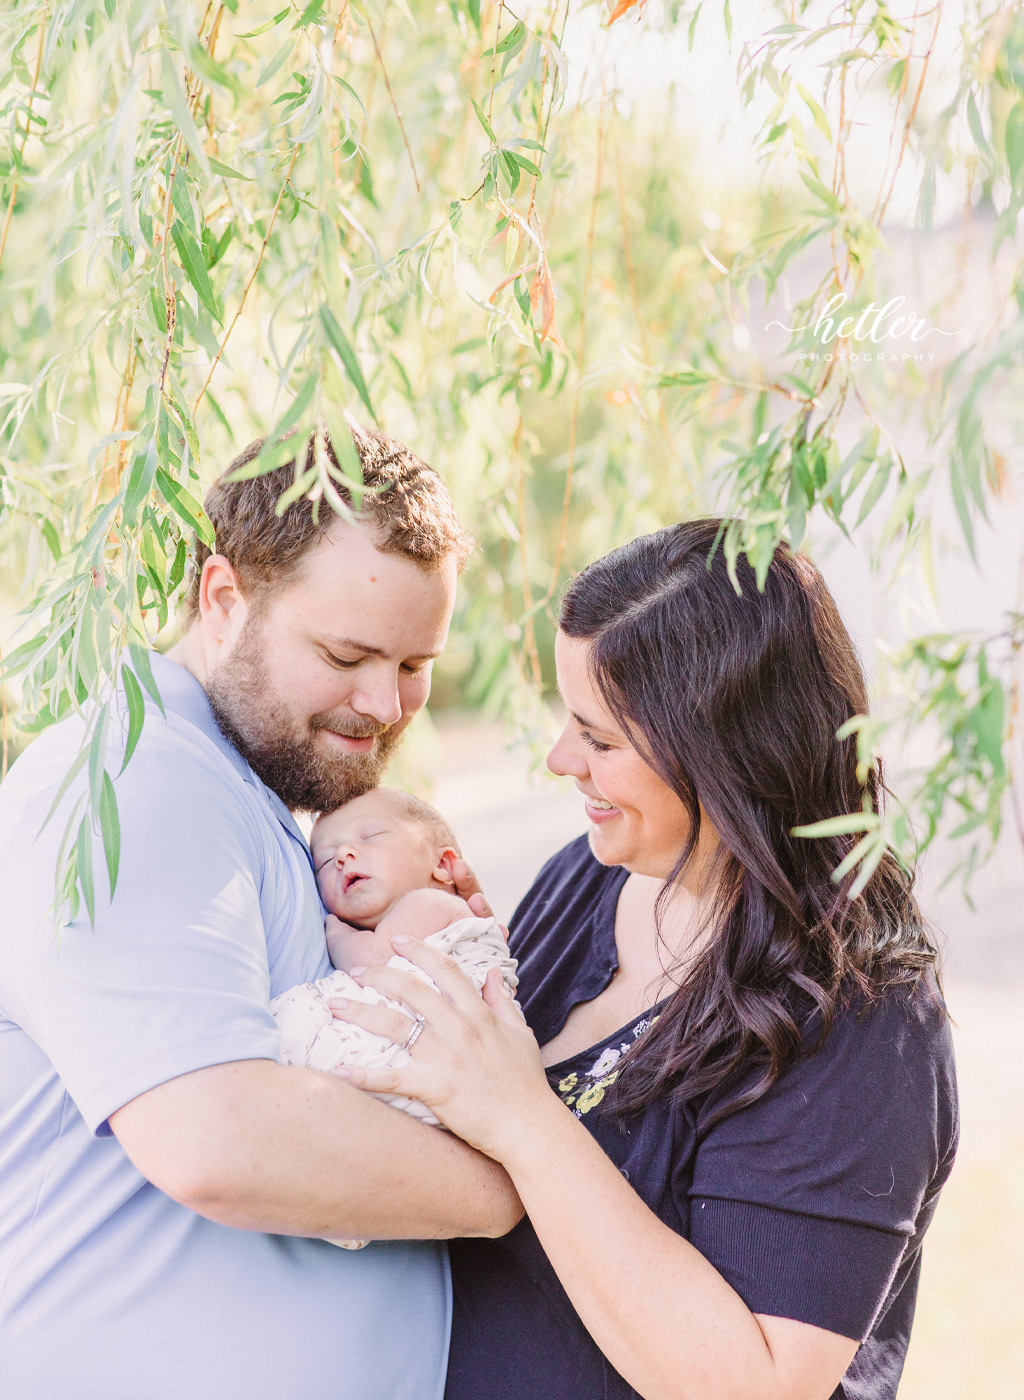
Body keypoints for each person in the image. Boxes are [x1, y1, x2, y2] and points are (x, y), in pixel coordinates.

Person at [330, 519, 959, 1400]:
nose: (558, 759)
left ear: (725, 752)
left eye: (599, 738)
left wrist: (524, 1117)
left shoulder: (859, 1016)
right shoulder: (587, 880)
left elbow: (758, 1386)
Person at [0, 427, 522, 1400]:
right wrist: (516, 1172)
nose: (386, 701)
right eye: (347, 652)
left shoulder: (245, 791)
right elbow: (216, 1135)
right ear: (224, 597)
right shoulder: (140, 780)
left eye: (417, 662)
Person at [272, 786, 520, 1126]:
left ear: (443, 866)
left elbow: (372, 959)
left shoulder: (431, 904)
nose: (343, 855)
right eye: (325, 862)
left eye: (370, 836)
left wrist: (335, 934)